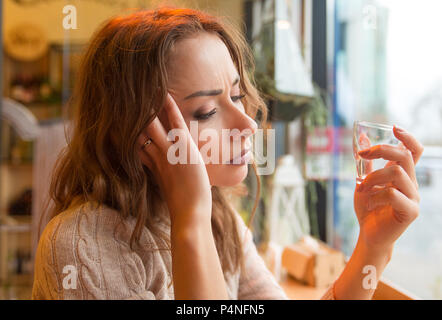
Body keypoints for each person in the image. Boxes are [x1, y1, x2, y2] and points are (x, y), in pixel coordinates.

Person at [31, 7, 424, 300]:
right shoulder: (80, 247)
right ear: (139, 133)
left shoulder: (222, 221)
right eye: (206, 111)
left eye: (236, 95)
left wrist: (374, 245)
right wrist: (191, 222)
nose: (247, 124)